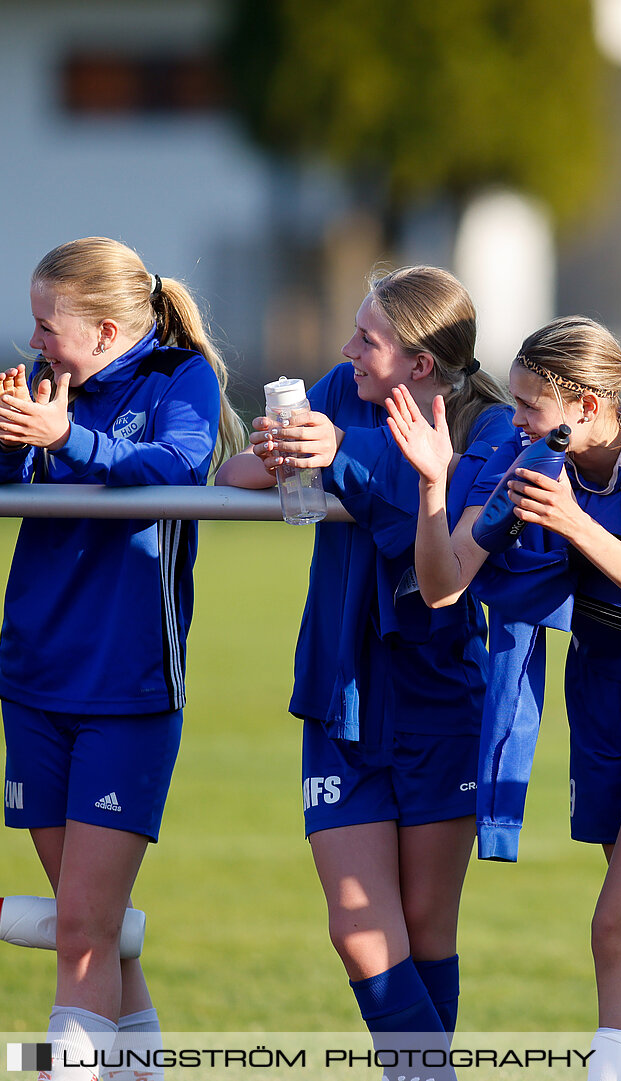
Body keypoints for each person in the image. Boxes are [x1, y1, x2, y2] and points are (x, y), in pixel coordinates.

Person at [388, 315, 621, 1081]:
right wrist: (436, 485)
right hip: (600, 700)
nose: (515, 418)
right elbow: (443, 584)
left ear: (587, 407)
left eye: (531, 405)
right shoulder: (529, 456)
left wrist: (571, 523)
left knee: (614, 922)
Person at [0, 237, 245, 1081]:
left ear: (111, 330)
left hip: (127, 687)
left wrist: (66, 439)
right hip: (33, 677)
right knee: (97, 923)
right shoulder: (56, 385)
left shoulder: (176, 377)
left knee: (84, 927)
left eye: (48, 325)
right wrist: (13, 437)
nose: (35, 343)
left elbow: (180, 465)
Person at [215, 266, 511, 1065]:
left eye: (367, 338)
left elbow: (449, 559)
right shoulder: (344, 390)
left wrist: (348, 450)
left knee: (422, 928)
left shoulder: (489, 425)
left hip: (438, 698)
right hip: (340, 688)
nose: (346, 349)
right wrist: (283, 445)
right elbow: (236, 473)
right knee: (360, 935)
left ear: (420, 365)